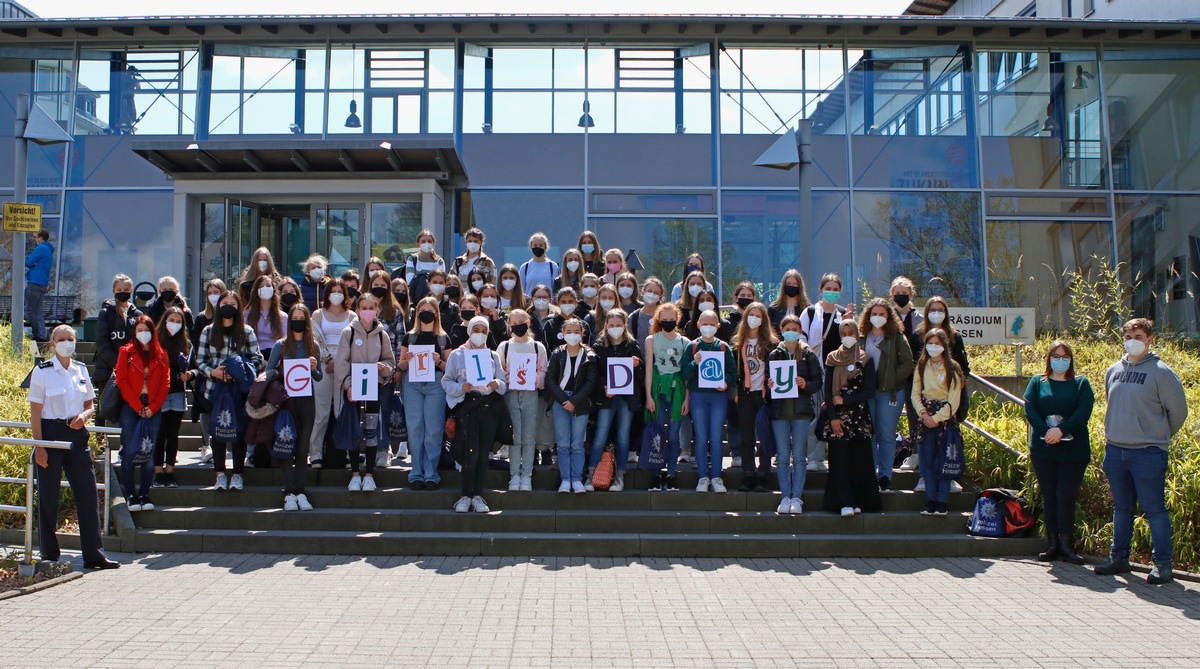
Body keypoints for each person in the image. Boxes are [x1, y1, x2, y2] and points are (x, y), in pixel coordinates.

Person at [1096, 318, 1188, 584]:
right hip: (1116, 450)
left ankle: (1162, 564)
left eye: (1138, 335)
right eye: (1127, 335)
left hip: (1148, 452)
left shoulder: (1161, 372)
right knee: (1122, 507)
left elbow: (1178, 412)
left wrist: (1158, 434)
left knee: (1154, 509)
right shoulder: (1113, 369)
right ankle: (1119, 557)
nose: (1132, 340)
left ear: (1150, 339)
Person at [28, 325, 119, 569]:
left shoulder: (80, 370)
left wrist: (85, 416)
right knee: (48, 495)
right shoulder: (42, 371)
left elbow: (90, 403)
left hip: (77, 434)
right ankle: (49, 553)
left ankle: (94, 555)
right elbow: (35, 413)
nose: (67, 343)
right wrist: (39, 446)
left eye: (70, 339)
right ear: (52, 342)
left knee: (88, 495)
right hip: (50, 434)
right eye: (61, 339)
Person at [1023, 341, 1094, 564]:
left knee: (1066, 496)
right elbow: (1030, 408)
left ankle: (1066, 545)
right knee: (1050, 495)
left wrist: (1062, 430)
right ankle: (1052, 544)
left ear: (1071, 360)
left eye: (1065, 356)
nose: (1060, 360)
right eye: (1056, 355)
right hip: (1044, 450)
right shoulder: (1037, 382)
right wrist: (1047, 432)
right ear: (1049, 358)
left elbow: (1084, 411)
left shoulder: (1081, 384)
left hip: (1074, 451)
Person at [196, 290, 264, 490]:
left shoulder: (247, 331)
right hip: (214, 390)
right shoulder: (208, 331)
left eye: (233, 304)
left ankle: (237, 474)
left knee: (238, 433)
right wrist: (212, 372)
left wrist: (240, 368)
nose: (228, 306)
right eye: (224, 302)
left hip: (238, 391)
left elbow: (258, 358)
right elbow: (199, 360)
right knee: (218, 433)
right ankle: (219, 474)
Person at [443, 316, 508, 512]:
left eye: (483, 331)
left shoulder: (493, 356)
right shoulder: (457, 355)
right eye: (476, 329)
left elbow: (504, 384)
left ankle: (478, 495)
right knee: (468, 453)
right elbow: (446, 382)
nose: (479, 334)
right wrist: (460, 387)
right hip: (467, 409)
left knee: (482, 454)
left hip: (488, 408)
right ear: (469, 331)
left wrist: (498, 384)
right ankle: (465, 495)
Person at [335, 292, 396, 493]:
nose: (368, 312)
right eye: (364, 308)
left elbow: (390, 361)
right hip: (353, 388)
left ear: (377, 310)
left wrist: (383, 369)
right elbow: (341, 362)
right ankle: (354, 474)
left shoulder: (382, 334)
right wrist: (348, 384)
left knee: (371, 430)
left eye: (372, 308)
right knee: (354, 428)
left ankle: (369, 474)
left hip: (373, 387)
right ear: (357, 310)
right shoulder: (348, 332)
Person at [266, 303, 325, 511]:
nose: (298, 320)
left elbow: (318, 377)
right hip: (286, 402)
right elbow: (269, 372)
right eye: (295, 317)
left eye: (302, 317)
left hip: (307, 401)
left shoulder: (313, 346)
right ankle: (288, 492)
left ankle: (300, 491)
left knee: (302, 448)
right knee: (287, 445)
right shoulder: (280, 345)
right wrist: (282, 374)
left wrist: (314, 367)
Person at [821, 320, 880, 516]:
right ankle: (843, 501)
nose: (847, 335)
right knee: (839, 459)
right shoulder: (832, 358)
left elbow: (869, 391)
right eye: (844, 332)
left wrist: (844, 400)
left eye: (850, 332)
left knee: (859, 460)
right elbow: (827, 392)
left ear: (856, 334)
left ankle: (859, 501)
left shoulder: (865, 358)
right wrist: (833, 417)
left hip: (859, 418)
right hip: (838, 418)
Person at [912, 296, 970, 493]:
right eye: (932, 309)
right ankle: (924, 481)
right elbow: (915, 383)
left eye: (940, 309)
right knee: (926, 449)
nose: (936, 313)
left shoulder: (955, 339)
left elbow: (964, 367)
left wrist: (956, 383)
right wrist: (924, 412)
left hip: (947, 408)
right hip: (924, 407)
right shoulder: (917, 338)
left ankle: (948, 481)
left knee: (947, 447)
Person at [767, 315, 823, 514]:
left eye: (795, 328)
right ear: (782, 330)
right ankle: (784, 497)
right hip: (780, 413)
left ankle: (797, 498)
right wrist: (770, 384)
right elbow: (768, 378)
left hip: (801, 413)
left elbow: (818, 381)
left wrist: (805, 384)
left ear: (800, 331)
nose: (791, 331)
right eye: (787, 328)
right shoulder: (774, 354)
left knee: (799, 457)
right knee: (782, 456)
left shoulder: (808, 354)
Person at [859, 297, 915, 492]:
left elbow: (908, 363)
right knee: (870, 434)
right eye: (874, 314)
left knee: (887, 434)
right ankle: (869, 474)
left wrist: (891, 380)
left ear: (888, 317)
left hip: (890, 393)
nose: (877, 317)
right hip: (867, 393)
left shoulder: (897, 337)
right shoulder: (861, 337)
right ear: (868, 315)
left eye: (882, 314)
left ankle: (885, 476)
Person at [115, 315, 170, 512]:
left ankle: (145, 493)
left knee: (149, 451)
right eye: (139, 330)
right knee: (130, 450)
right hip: (131, 405)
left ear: (152, 331)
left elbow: (165, 383)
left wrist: (153, 407)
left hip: (153, 406)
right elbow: (122, 380)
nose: (143, 334)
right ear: (134, 332)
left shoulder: (161, 354)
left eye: (146, 330)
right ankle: (131, 495)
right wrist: (138, 405)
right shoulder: (126, 352)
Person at [398, 296, 452, 490]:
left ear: (436, 314)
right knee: (415, 428)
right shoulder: (409, 337)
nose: (426, 314)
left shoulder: (443, 338)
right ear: (417, 313)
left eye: (430, 310)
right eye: (422, 311)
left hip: (435, 385)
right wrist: (408, 359)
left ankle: (431, 474)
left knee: (434, 429)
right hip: (412, 384)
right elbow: (401, 364)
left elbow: (449, 368)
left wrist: (438, 361)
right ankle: (416, 473)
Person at [799, 272, 849, 474]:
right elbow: (801, 341)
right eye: (828, 289)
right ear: (820, 290)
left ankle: (834, 456)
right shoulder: (810, 312)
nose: (831, 292)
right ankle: (814, 457)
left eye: (835, 289)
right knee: (816, 414)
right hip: (816, 370)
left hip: (838, 372)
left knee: (835, 413)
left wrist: (849, 322)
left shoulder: (843, 314)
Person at [681, 309, 736, 493]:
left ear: (718, 326)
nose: (708, 327)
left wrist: (726, 383)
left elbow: (732, 372)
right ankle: (703, 477)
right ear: (698, 324)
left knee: (716, 437)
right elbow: (684, 374)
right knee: (701, 437)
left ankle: (717, 477)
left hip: (718, 397)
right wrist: (693, 363)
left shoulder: (723, 347)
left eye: (712, 324)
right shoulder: (693, 346)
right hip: (698, 396)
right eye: (705, 324)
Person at [588, 309, 643, 492]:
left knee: (623, 436)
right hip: (606, 399)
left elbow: (642, 377)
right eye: (611, 325)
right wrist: (604, 386)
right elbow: (593, 373)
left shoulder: (632, 345)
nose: (615, 328)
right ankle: (591, 475)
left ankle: (620, 477)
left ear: (624, 326)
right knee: (600, 435)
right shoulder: (598, 345)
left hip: (627, 399)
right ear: (605, 326)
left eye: (618, 325)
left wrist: (636, 366)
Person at [911, 327, 962, 517]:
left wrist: (937, 418)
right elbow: (915, 394)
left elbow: (954, 399)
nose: (933, 347)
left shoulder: (952, 368)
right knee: (928, 461)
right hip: (925, 418)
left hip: (945, 420)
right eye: (930, 344)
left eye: (937, 344)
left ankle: (942, 501)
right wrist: (924, 414)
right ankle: (930, 500)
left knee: (944, 460)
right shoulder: (921, 365)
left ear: (944, 346)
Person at [547, 317, 599, 493]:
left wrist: (574, 402)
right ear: (563, 333)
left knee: (577, 443)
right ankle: (565, 480)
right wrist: (564, 400)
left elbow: (591, 382)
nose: (572, 335)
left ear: (582, 334)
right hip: (560, 402)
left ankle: (577, 479)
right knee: (562, 444)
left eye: (576, 332)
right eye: (568, 332)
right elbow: (550, 380)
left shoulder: (590, 355)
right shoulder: (557, 353)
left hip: (580, 403)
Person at [643, 301, 690, 491]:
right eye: (665, 319)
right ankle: (656, 474)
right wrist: (648, 396)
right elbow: (648, 369)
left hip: (676, 390)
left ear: (677, 319)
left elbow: (686, 374)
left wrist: (687, 398)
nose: (668, 322)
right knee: (657, 432)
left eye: (672, 319)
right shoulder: (651, 339)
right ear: (659, 320)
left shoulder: (684, 342)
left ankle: (671, 473)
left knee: (673, 433)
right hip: (658, 388)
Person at [499, 309, 547, 492]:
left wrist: (532, 378)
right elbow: (499, 370)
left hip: (530, 395)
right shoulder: (504, 346)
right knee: (515, 437)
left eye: (522, 321)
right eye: (514, 321)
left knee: (528, 437)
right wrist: (510, 378)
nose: (518, 324)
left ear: (528, 323)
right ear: (509, 325)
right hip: (511, 394)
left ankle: (526, 475)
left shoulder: (537, 347)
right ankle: (514, 475)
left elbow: (543, 372)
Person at [310, 279, 355, 470]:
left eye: (340, 291)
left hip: (344, 368)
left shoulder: (352, 316)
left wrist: (340, 364)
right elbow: (314, 340)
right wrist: (328, 360)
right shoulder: (318, 314)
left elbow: (354, 342)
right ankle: (316, 455)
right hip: (323, 366)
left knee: (341, 411)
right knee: (321, 413)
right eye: (333, 291)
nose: (336, 294)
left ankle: (344, 452)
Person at [732, 302, 777, 492]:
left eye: (759, 316)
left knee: (765, 436)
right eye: (751, 315)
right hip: (746, 394)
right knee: (747, 437)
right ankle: (748, 474)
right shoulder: (737, 344)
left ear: (764, 320)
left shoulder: (771, 344)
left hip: (765, 395)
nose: (754, 319)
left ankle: (763, 475)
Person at [369, 272, 407, 466]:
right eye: (375, 284)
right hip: (365, 370)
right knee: (369, 410)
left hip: (387, 369)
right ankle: (370, 448)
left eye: (383, 285)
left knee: (385, 408)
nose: (379, 287)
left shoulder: (396, 311)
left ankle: (384, 449)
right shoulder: (364, 307)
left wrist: (398, 368)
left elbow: (401, 340)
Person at [93, 274, 142, 423]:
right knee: (102, 407)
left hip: (131, 370)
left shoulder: (138, 315)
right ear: (114, 290)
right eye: (119, 289)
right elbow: (101, 342)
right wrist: (118, 363)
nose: (123, 291)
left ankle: (125, 444)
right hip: (107, 369)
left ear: (132, 290)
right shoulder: (106, 313)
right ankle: (100, 444)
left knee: (128, 408)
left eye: (126, 289)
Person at [152, 306, 192, 489]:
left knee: (172, 434)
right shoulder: (155, 341)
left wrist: (189, 374)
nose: (174, 324)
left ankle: (170, 471)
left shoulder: (185, 343)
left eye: (178, 321)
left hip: (177, 392)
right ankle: (158, 472)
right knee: (160, 434)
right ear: (164, 320)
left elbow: (190, 366)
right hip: (159, 394)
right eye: (171, 320)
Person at [191, 278, 225, 464]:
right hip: (206, 370)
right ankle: (206, 444)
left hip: (225, 370)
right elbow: (196, 347)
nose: (214, 296)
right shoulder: (201, 319)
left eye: (217, 292)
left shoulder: (231, 316)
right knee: (205, 408)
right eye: (210, 292)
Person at [24, 229, 53, 343]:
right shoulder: (49, 250)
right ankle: (42, 333)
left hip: (35, 281)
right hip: (43, 283)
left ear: (41, 238)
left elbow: (28, 262)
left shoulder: (41, 248)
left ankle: (37, 334)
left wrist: (32, 263)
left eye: (35, 237)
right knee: (38, 310)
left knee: (30, 310)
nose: (34, 239)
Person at [404, 229, 447, 303]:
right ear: (418, 244)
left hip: (436, 299)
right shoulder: (412, 259)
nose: (426, 244)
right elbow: (410, 280)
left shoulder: (439, 261)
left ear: (433, 243)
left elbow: (441, 281)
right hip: (417, 299)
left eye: (429, 241)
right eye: (423, 241)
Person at [629, 276, 663, 354]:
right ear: (643, 292)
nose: (652, 294)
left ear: (660, 297)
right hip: (639, 361)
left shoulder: (664, 317)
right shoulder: (633, 317)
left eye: (656, 293)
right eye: (649, 291)